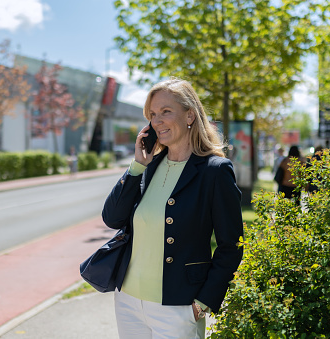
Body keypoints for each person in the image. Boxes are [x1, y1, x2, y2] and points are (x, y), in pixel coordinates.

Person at [102, 78, 244, 339]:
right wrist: (137, 166)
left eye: (166, 112)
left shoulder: (215, 171)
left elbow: (231, 245)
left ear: (190, 115)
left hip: (178, 308)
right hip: (128, 302)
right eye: (153, 114)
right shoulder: (149, 166)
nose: (157, 121)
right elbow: (112, 218)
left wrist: (202, 304)